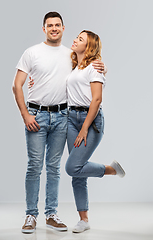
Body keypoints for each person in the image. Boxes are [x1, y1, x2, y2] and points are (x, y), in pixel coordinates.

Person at [12, 12, 106, 234]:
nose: (54, 28)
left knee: (54, 167)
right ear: (44, 29)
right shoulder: (32, 52)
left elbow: (88, 68)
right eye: (49, 25)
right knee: (35, 165)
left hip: (63, 116)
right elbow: (17, 85)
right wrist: (25, 114)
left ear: (63, 28)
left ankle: (51, 214)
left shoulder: (71, 55)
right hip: (37, 115)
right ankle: (30, 215)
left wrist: (103, 67)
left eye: (57, 25)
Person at [65, 30, 125, 233]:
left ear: (88, 47)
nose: (75, 40)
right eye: (77, 37)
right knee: (77, 173)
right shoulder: (75, 67)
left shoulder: (95, 68)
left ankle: (110, 169)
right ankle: (84, 220)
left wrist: (84, 128)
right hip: (70, 119)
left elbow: (97, 100)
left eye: (80, 39)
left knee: (73, 167)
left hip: (90, 122)